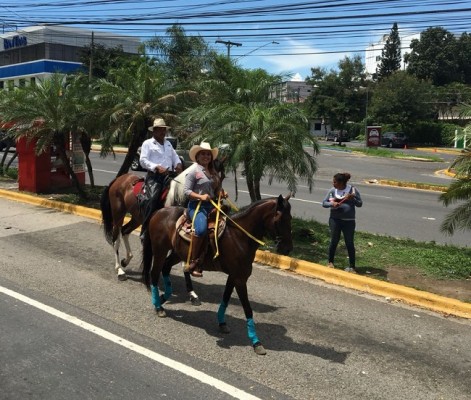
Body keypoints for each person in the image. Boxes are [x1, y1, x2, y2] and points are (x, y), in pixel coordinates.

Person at [183, 142, 225, 278]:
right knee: (200, 229)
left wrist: (221, 193)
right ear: (197, 156)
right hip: (196, 206)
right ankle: (194, 261)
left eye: (208, 154)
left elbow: (216, 189)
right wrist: (200, 196)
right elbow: (186, 191)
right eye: (203, 154)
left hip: (212, 205)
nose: (206, 156)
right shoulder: (193, 171)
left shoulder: (212, 171)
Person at [139, 118, 182, 239]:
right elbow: (143, 160)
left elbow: (175, 156)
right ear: (154, 131)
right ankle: (145, 230)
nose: (163, 132)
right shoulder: (147, 143)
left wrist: (178, 164)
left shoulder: (168, 143)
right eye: (160, 130)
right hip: (155, 177)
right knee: (152, 199)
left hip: (169, 176)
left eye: (164, 130)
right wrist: (156, 167)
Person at [322, 172, 363, 273]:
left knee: (349, 242)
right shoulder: (332, 191)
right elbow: (324, 203)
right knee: (334, 241)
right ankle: (330, 262)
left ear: (341, 183)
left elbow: (360, 204)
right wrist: (332, 203)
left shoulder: (352, 190)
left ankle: (352, 266)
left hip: (349, 222)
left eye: (335, 182)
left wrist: (352, 198)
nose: (333, 183)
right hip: (335, 220)